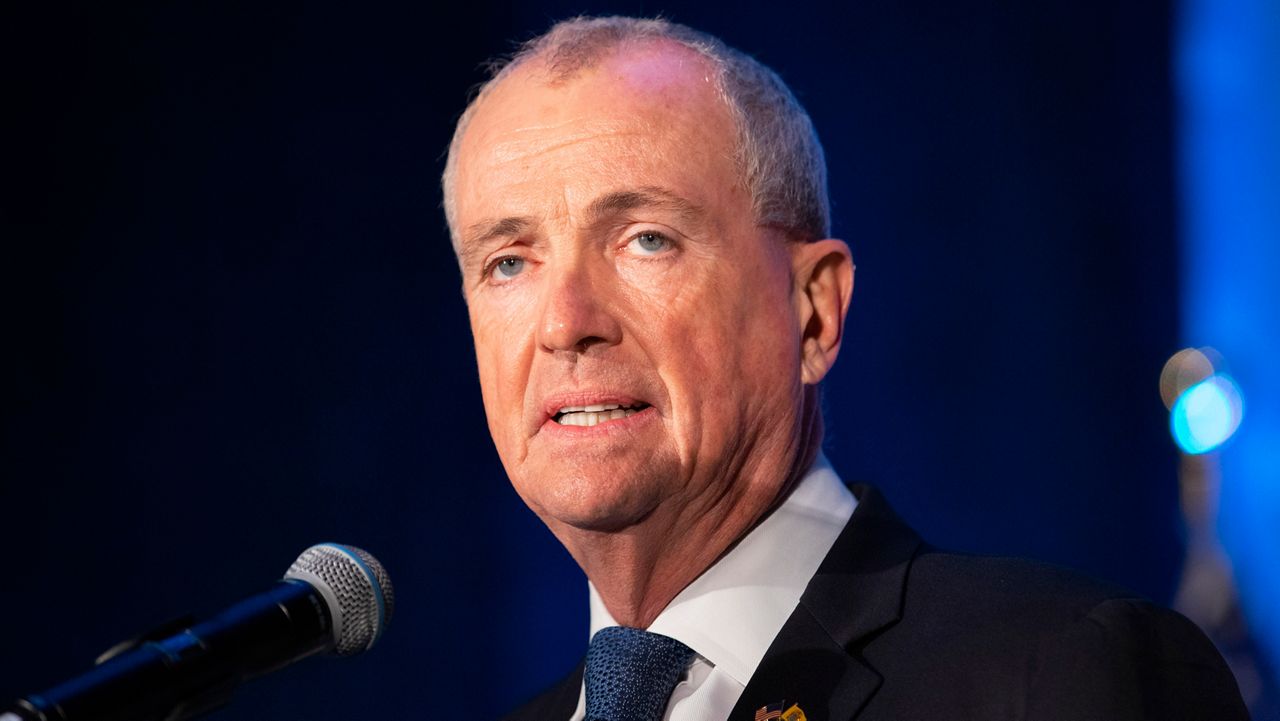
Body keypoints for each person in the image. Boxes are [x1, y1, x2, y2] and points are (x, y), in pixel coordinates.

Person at [441, 15, 1248, 721]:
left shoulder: (1065, 672)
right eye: (509, 263)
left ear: (814, 310)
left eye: (647, 239)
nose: (565, 323)